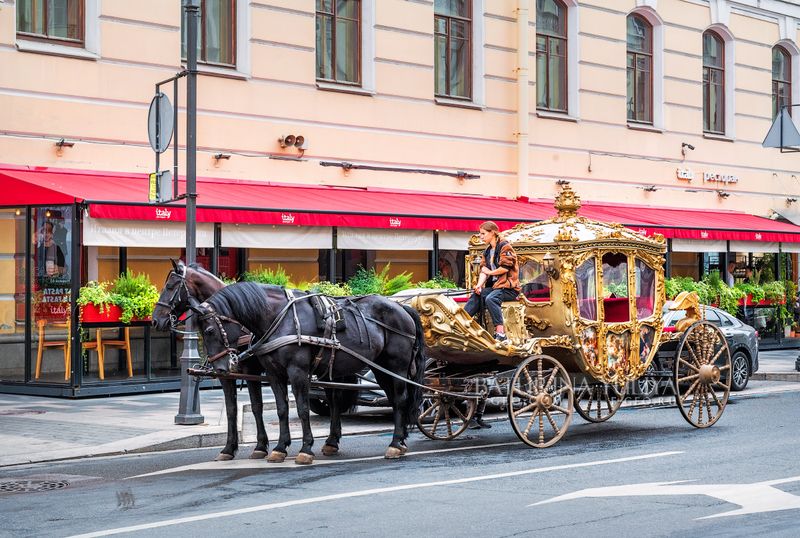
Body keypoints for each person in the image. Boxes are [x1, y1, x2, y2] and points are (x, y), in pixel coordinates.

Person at [464, 221, 521, 429]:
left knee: (490, 299)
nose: (480, 236)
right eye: (479, 233)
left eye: (483, 233)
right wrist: (479, 285)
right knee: (477, 297)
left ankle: (500, 331)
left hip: (510, 289)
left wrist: (488, 275)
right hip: (495, 287)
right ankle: (463, 321)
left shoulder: (505, 247)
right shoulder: (487, 250)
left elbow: (504, 269)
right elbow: (484, 271)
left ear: (493, 233)